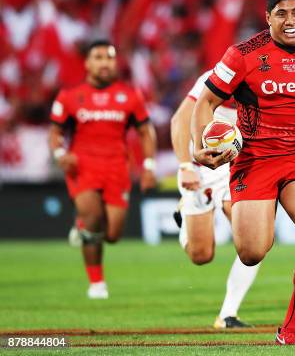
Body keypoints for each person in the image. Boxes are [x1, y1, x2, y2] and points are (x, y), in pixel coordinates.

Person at [191, 0, 295, 345]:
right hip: (254, 158)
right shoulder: (242, 55)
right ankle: (211, 203)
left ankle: (291, 330)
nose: (290, 20)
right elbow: (205, 102)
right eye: (281, 14)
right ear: (268, 18)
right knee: (252, 251)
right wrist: (200, 146)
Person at [49, 40, 157, 299]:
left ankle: (82, 225)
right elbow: (55, 131)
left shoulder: (130, 95)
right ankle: (97, 283)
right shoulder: (69, 96)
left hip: (117, 168)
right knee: (93, 220)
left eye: (109, 57)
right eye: (98, 57)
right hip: (82, 168)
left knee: (113, 235)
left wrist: (149, 166)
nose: (105, 62)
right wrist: (60, 153)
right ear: (87, 63)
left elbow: (145, 131)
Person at [170, 69, 258, 328]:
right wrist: (185, 166)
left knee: (253, 241)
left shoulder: (277, 80)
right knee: (201, 255)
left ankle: (228, 314)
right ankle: (186, 208)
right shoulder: (220, 75)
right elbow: (180, 120)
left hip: (240, 165)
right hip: (204, 164)